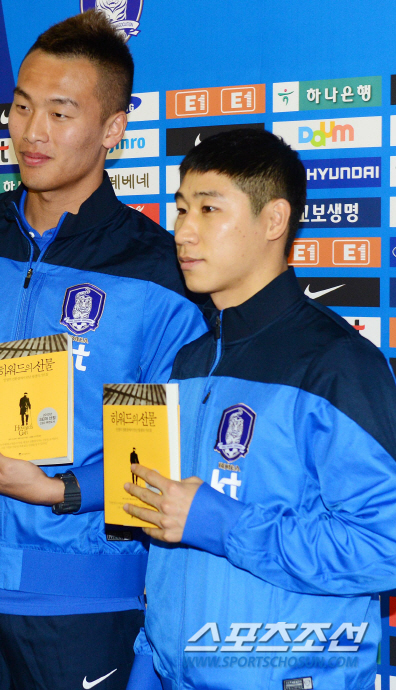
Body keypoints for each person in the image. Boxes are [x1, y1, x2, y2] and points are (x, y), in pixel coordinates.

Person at [0, 11, 207, 690]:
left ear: (113, 129)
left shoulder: (155, 274)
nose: (32, 132)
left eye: (60, 112)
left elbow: (157, 460)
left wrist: (62, 492)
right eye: (22, 107)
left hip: (87, 606)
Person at [124, 128, 396, 690]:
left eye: (208, 209)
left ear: (274, 220)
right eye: (181, 209)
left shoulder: (338, 364)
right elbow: (167, 529)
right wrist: (149, 662)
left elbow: (383, 547)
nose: (184, 231)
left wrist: (222, 523)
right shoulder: (188, 360)